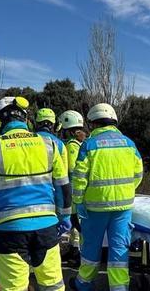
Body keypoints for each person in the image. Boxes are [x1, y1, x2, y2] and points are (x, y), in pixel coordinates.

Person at [0, 97, 72, 291]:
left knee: (14, 288)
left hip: (10, 231)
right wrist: (65, 215)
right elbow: (62, 185)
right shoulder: (49, 144)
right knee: (52, 285)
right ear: (27, 120)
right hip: (47, 228)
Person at [71, 103, 143, 291]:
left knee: (91, 248)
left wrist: (77, 203)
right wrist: (125, 191)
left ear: (93, 123)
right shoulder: (129, 143)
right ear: (114, 121)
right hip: (123, 208)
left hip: (95, 209)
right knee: (119, 249)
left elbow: (79, 179)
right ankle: (119, 287)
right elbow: (138, 174)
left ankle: (84, 283)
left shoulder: (88, 145)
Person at [58, 110, 86, 258]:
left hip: (73, 189)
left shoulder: (71, 145)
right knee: (78, 223)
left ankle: (78, 252)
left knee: (75, 222)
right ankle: (75, 248)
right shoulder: (83, 143)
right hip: (82, 189)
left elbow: (71, 168)